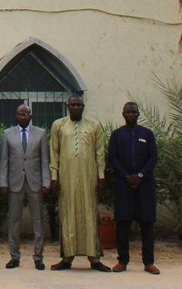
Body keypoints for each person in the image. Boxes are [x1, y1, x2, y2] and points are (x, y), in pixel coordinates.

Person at [49, 95, 110, 271]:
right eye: (73, 105)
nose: (76, 107)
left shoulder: (94, 125)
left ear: (83, 106)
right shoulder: (58, 125)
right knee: (68, 214)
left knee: (90, 214)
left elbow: (99, 152)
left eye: (79, 105)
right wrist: (54, 177)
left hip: (88, 177)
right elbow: (54, 153)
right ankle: (67, 258)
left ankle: (94, 258)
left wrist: (101, 177)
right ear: (67, 106)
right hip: (66, 178)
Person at [108, 101, 160, 275]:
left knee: (147, 224)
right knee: (123, 223)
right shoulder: (117, 135)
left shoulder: (147, 134)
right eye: (128, 112)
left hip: (144, 185)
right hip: (124, 185)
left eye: (134, 112)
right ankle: (122, 261)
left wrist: (139, 176)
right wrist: (126, 176)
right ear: (123, 114)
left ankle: (148, 262)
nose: (131, 115)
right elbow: (113, 158)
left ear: (138, 114)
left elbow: (153, 157)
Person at [0, 104, 50, 270]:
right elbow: (4, 161)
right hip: (15, 183)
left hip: (35, 183)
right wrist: (3, 183)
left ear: (30, 116)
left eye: (25, 114)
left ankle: (38, 257)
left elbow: (44, 161)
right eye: (20, 114)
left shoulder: (41, 134)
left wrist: (46, 182)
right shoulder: (7, 134)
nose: (22, 117)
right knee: (14, 220)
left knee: (38, 221)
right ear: (16, 116)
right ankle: (14, 256)